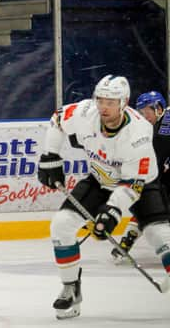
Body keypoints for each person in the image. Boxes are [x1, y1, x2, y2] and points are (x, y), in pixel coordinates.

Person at [38, 75, 170, 319]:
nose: (103, 107)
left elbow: (132, 184)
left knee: (159, 236)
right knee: (62, 225)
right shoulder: (85, 113)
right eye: (100, 99)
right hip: (100, 180)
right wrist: (50, 156)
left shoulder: (138, 132)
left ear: (124, 102)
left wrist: (112, 212)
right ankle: (71, 289)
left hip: (141, 184)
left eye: (111, 102)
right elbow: (57, 119)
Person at [110, 91, 170, 262]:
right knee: (148, 203)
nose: (143, 116)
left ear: (158, 108)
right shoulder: (146, 128)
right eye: (140, 112)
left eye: (146, 111)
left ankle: (126, 243)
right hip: (161, 175)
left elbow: (160, 150)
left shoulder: (167, 121)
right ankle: (126, 243)